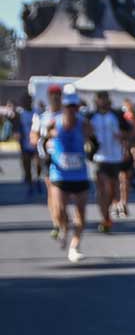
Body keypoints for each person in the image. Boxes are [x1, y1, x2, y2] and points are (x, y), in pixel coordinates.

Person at [43, 91, 95, 262]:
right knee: (59, 211)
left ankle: (74, 246)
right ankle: (63, 228)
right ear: (63, 107)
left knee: (81, 213)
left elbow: (94, 142)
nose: (71, 110)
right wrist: (47, 152)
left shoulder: (84, 124)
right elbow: (43, 141)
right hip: (59, 174)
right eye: (68, 107)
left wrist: (90, 153)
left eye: (74, 107)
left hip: (79, 175)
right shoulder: (54, 123)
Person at [88, 91, 132, 232]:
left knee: (112, 191)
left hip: (115, 157)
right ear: (96, 101)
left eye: (105, 98)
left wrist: (123, 137)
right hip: (98, 157)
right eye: (100, 99)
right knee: (102, 189)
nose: (102, 101)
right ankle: (105, 219)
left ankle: (107, 214)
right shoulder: (90, 117)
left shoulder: (117, 115)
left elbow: (131, 132)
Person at [31, 85, 66, 238]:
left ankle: (61, 217)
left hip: (64, 158)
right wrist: (43, 141)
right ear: (49, 97)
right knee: (52, 191)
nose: (55, 97)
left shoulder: (67, 116)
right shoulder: (41, 116)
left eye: (58, 94)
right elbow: (33, 136)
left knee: (62, 193)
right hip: (48, 157)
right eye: (53, 95)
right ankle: (56, 223)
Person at [15, 99, 39, 197]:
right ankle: (30, 185)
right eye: (25, 102)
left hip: (36, 145)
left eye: (28, 102)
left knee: (38, 165)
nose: (26, 104)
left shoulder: (36, 113)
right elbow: (18, 129)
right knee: (27, 166)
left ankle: (37, 180)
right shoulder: (21, 115)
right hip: (26, 145)